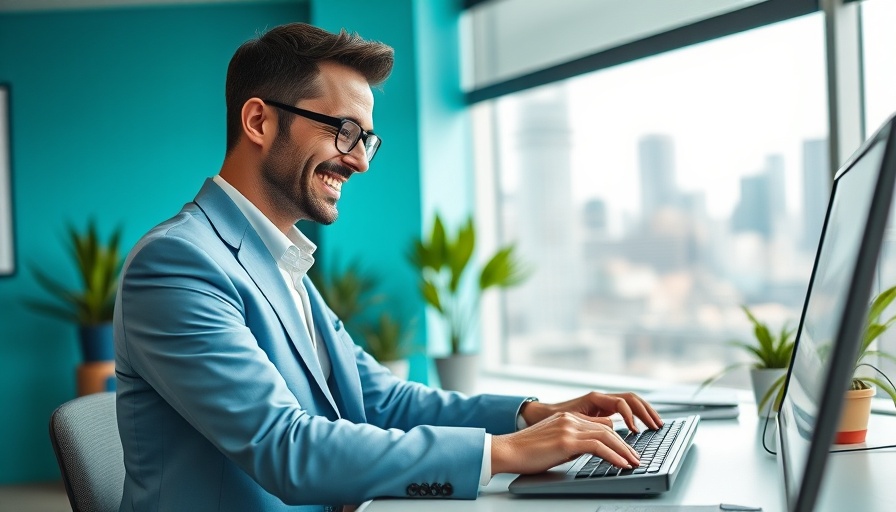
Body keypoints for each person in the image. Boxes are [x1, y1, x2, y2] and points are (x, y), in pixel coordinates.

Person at [114, 22, 663, 512]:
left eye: (366, 139)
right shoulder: (178, 264)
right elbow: (284, 447)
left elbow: (380, 398)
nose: (357, 160)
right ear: (259, 121)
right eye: (343, 131)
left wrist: (532, 416)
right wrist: (503, 452)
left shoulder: (282, 261)